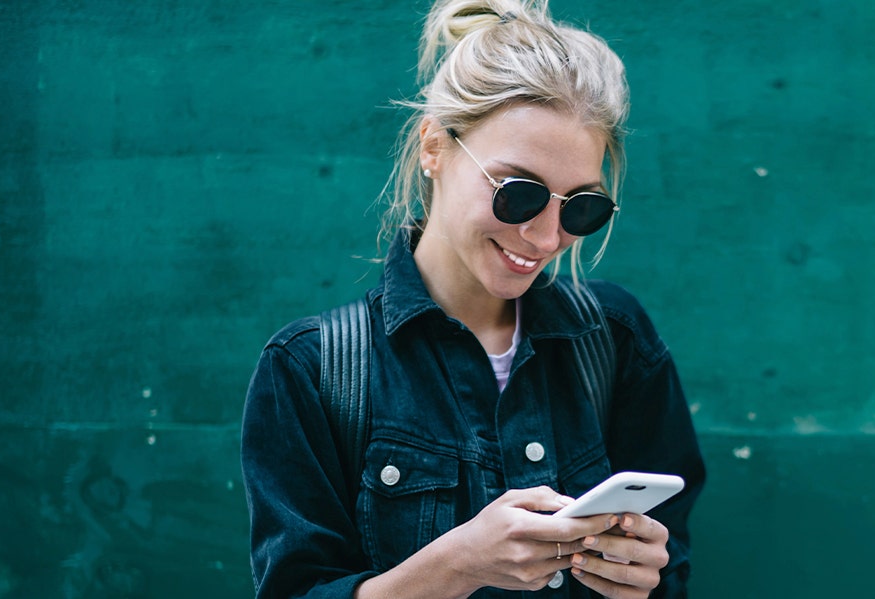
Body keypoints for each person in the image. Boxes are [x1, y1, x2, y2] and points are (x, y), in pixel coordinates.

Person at [240, 0, 705, 597]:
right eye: (518, 194)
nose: (543, 238)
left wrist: (648, 576)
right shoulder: (313, 368)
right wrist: (455, 565)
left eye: (581, 207)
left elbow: (673, 568)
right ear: (434, 147)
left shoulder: (613, 339)